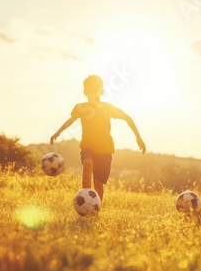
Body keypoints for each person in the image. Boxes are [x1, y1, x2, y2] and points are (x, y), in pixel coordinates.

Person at [50, 74, 146, 202]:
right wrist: (58, 132)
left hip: (105, 149)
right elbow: (70, 121)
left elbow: (127, 118)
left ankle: (96, 207)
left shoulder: (107, 108)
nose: (92, 94)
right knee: (88, 163)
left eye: (95, 91)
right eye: (89, 91)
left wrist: (138, 137)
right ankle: (84, 197)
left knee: (99, 184)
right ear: (85, 92)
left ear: (102, 91)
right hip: (88, 146)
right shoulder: (80, 108)